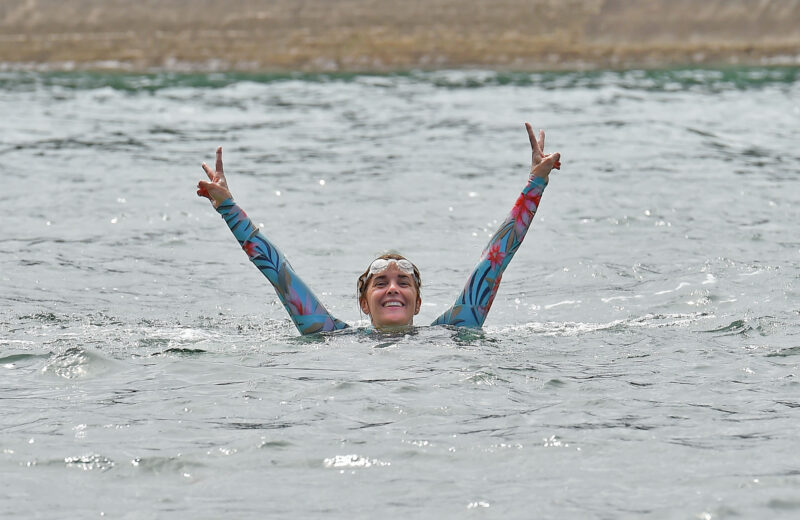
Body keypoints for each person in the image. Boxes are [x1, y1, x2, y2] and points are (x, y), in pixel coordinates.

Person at [197, 123, 560, 335]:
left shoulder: (452, 332)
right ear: (362, 304)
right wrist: (227, 207)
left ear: (418, 303)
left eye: (403, 283)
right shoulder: (330, 336)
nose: (392, 289)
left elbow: (493, 262)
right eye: (381, 283)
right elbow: (279, 274)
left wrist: (535, 183)